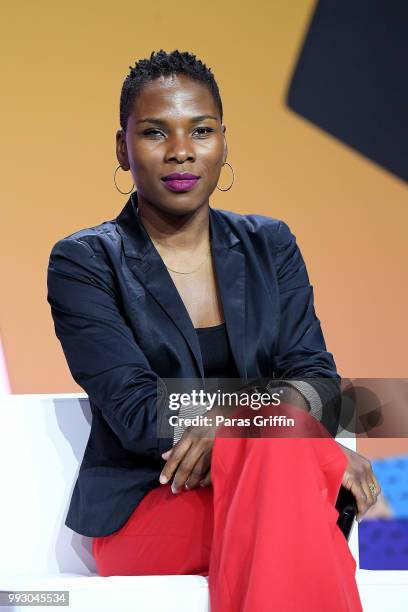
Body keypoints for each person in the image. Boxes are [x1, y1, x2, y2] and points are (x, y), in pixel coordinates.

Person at [47, 49, 380, 611]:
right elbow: (138, 413)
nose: (181, 150)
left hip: (272, 487)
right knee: (292, 464)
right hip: (154, 507)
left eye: (201, 130)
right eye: (155, 132)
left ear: (223, 140)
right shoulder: (85, 262)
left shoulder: (270, 245)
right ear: (122, 148)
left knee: (283, 458)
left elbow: (320, 381)